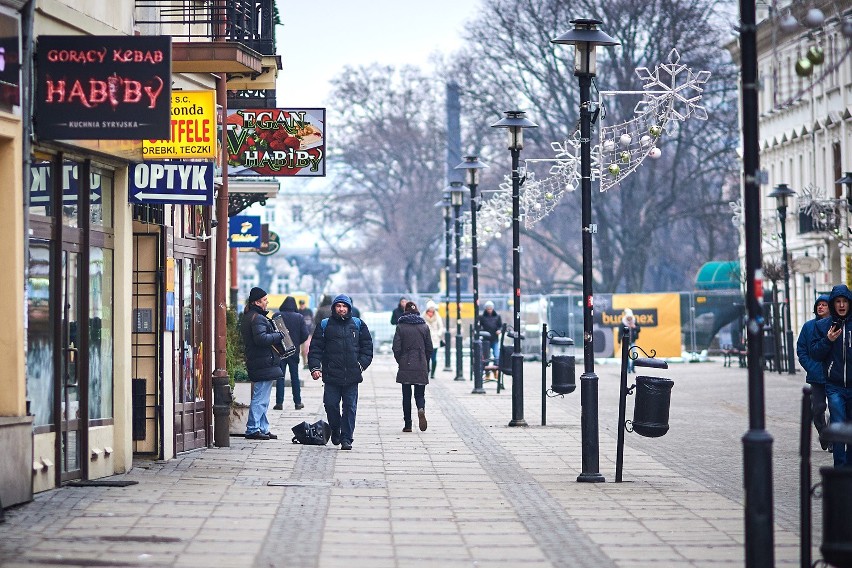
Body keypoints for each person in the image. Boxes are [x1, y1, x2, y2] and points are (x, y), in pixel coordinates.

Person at [308, 294, 373, 451]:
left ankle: (346, 438)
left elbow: (367, 348)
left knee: (350, 408)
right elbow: (315, 349)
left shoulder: (358, 324)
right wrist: (315, 368)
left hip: (352, 375)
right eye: (338, 306)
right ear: (334, 308)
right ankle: (335, 429)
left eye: (344, 306)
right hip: (331, 375)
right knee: (331, 406)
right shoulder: (325, 325)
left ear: (349, 308)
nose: (341, 309)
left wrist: (360, 365)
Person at [811, 284, 852, 466]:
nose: (842, 305)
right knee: (837, 425)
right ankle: (839, 468)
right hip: (834, 385)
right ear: (833, 304)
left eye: (844, 301)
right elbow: (815, 353)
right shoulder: (822, 326)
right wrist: (828, 340)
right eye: (838, 302)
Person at [239, 287, 285, 440]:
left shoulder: (251, 316)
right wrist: (278, 336)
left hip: (261, 361)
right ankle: (253, 429)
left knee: (263, 398)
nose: (267, 302)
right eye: (265, 300)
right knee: (260, 398)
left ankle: (263, 428)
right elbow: (261, 339)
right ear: (257, 302)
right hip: (263, 361)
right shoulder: (257, 318)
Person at [393, 301, 433, 432]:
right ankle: (421, 408)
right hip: (421, 363)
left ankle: (408, 424)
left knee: (406, 395)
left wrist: (401, 360)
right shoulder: (424, 327)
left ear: (405, 311)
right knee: (420, 394)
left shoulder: (400, 326)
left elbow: (396, 347)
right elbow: (429, 348)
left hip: (406, 363)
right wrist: (425, 362)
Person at [798, 294, 831, 449]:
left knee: (837, 409)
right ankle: (825, 434)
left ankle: (833, 440)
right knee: (817, 410)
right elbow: (801, 349)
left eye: (824, 304)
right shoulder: (808, 327)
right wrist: (810, 366)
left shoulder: (836, 325)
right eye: (819, 304)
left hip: (834, 376)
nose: (820, 307)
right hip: (816, 376)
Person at [274, 296, 310, 410]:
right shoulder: (299, 317)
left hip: (280, 351)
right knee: (295, 377)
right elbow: (305, 334)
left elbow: (271, 332)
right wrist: (295, 342)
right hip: (293, 352)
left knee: (280, 377)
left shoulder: (277, 316)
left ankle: (279, 403)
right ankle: (298, 402)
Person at [422, 300, 445, 378]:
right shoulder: (423, 315)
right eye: (431, 308)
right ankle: (427, 371)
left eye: (433, 308)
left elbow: (441, 326)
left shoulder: (437, 315)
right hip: (426, 339)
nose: (432, 309)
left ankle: (433, 373)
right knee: (426, 358)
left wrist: (439, 334)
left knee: (434, 358)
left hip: (435, 339)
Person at [479, 301, 503, 370]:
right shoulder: (482, 317)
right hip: (486, 340)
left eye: (490, 308)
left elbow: (500, 326)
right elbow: (479, 327)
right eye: (488, 308)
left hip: (494, 338)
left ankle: (496, 369)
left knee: (496, 355)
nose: (489, 310)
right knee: (486, 356)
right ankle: (487, 371)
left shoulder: (497, 316)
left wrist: (499, 330)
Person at [619, 309, 641, 373]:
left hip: (632, 341)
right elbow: (620, 332)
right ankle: (628, 368)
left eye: (630, 317)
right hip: (626, 342)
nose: (629, 318)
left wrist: (634, 327)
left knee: (634, 354)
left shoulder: (634, 322)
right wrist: (619, 340)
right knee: (627, 355)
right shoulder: (623, 323)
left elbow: (639, 329)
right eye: (628, 317)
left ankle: (633, 367)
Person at [298, 299, 314, 368]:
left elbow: (312, 321)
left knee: (309, 349)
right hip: (301, 334)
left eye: (303, 304)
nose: (302, 306)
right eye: (301, 305)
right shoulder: (298, 312)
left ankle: (309, 363)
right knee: (303, 350)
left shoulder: (309, 311)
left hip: (309, 332)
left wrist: (312, 332)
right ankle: (305, 363)